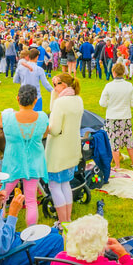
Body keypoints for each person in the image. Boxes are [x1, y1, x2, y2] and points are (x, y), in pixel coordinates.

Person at [0, 85, 48, 226]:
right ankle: (31, 233)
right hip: (34, 163)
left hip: (13, 162)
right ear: (35, 100)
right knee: (31, 200)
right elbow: (44, 134)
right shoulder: (42, 117)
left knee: (3, 196)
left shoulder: (7, 117)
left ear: (18, 99)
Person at [46, 73, 84, 224]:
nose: (54, 87)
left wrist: (45, 127)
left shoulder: (61, 103)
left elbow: (54, 129)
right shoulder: (78, 99)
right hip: (72, 147)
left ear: (65, 85)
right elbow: (53, 108)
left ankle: (63, 222)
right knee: (65, 184)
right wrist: (54, 94)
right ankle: (67, 219)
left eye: (57, 84)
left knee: (54, 185)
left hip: (58, 149)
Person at [99, 63, 133, 171]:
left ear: (114, 73)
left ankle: (117, 165)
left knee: (114, 141)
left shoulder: (109, 86)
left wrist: (110, 103)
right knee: (128, 140)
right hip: (125, 116)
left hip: (112, 116)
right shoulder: (129, 86)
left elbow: (102, 103)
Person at [14, 48, 54, 112]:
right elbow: (45, 83)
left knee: (24, 116)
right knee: (36, 117)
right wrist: (53, 90)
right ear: (37, 57)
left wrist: (23, 81)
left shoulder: (20, 67)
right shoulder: (39, 69)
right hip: (36, 96)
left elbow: (15, 80)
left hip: (24, 94)